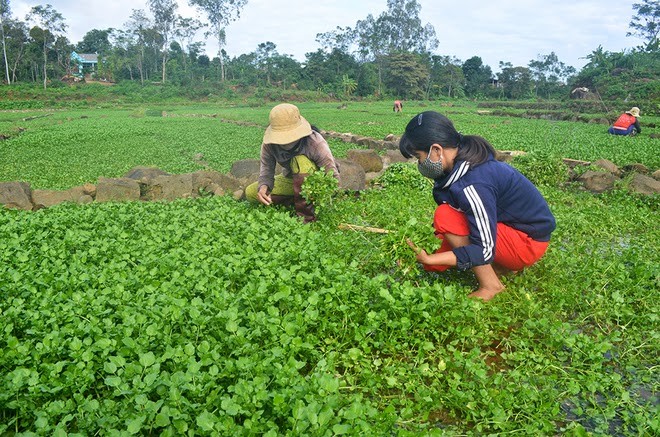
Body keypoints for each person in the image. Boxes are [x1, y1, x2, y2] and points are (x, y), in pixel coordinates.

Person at [401, 111, 556, 301]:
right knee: (434, 260)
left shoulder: (473, 183)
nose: (419, 163)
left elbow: (484, 250)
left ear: (436, 150)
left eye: (418, 157)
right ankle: (500, 266)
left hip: (527, 242)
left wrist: (432, 258)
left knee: (445, 217)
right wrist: (434, 260)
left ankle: (491, 285)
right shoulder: (459, 164)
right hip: (509, 229)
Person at [245, 103, 339, 223]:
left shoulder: (315, 142)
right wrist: (263, 188)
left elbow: (332, 175)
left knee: (300, 161)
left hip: (315, 182)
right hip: (293, 180)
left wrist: (326, 195)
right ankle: (296, 200)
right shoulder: (269, 145)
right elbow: (266, 173)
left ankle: (307, 217)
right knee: (251, 192)